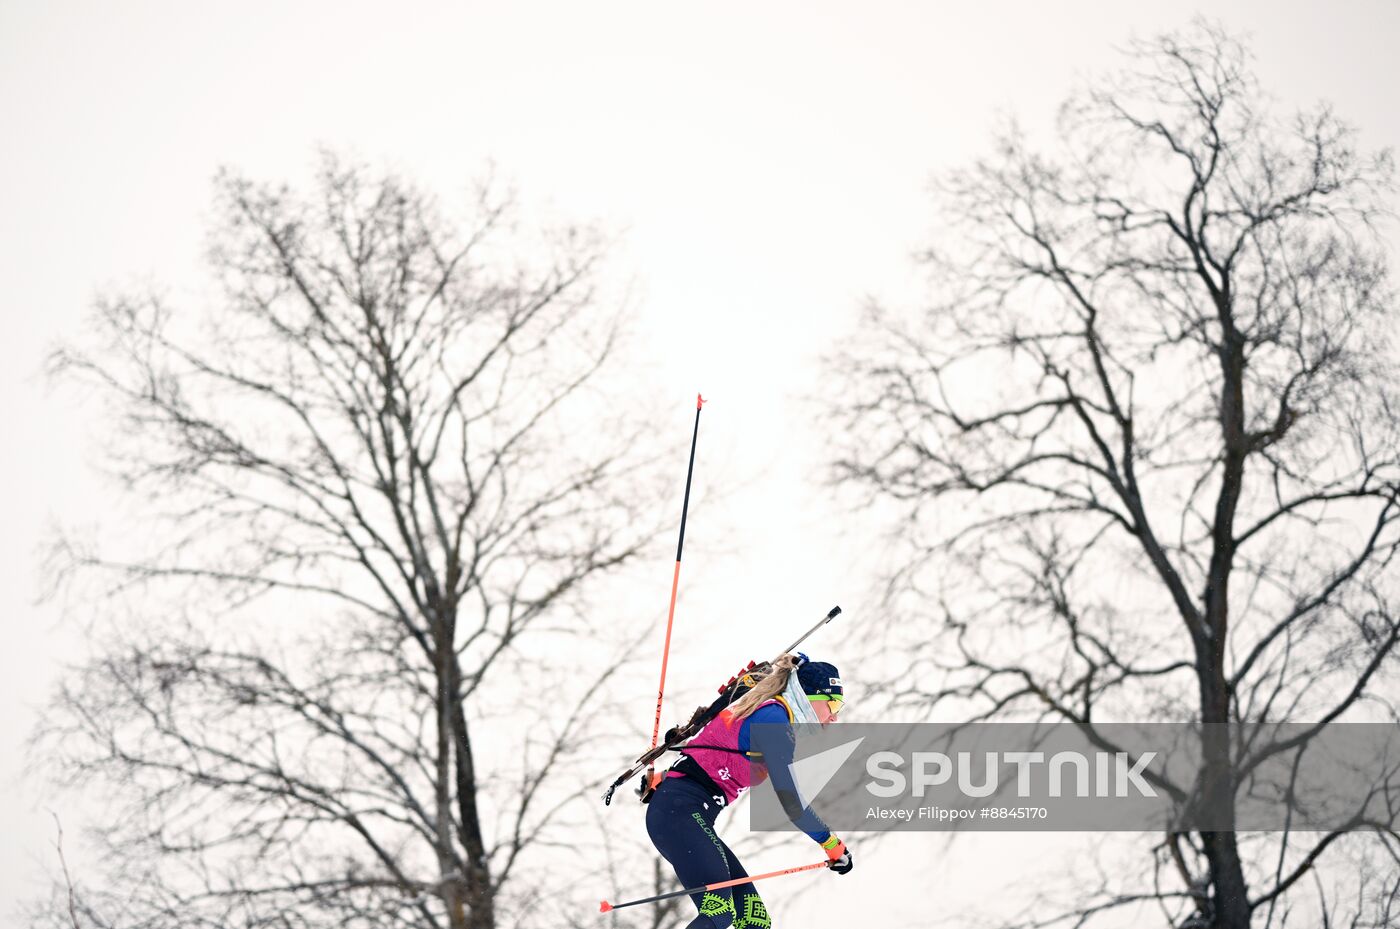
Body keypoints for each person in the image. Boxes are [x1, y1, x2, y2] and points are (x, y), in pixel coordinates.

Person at [645, 652, 852, 929]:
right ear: (810, 698)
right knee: (719, 912)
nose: (835, 717)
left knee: (754, 922)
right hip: (679, 813)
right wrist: (831, 844)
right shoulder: (774, 721)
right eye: (834, 704)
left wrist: (669, 776)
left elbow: (711, 748)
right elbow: (791, 802)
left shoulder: (768, 713)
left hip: (684, 811)